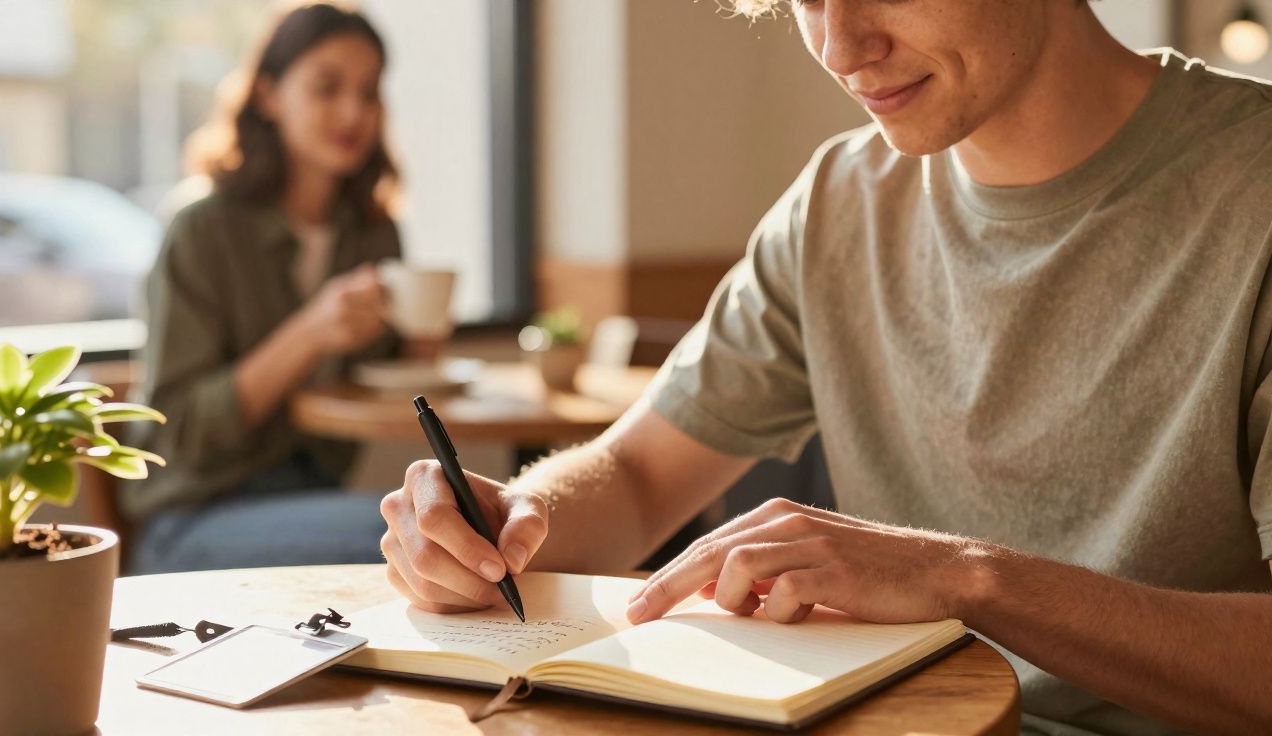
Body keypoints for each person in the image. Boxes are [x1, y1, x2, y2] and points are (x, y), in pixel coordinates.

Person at [381, 0, 1272, 733]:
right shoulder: (839, 204)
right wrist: (507, 522)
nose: (842, 49)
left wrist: (968, 580)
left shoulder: (1252, 189)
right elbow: (642, 475)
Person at [125, 3, 401, 573]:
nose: (354, 111)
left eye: (369, 92)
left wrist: (421, 349)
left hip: (310, 499)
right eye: (327, 87)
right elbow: (177, 434)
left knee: (459, 520)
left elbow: (379, 384)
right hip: (193, 517)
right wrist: (310, 332)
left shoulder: (373, 235)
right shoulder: (202, 229)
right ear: (269, 95)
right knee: (415, 536)